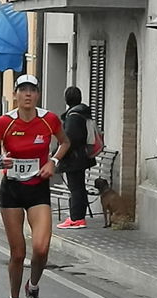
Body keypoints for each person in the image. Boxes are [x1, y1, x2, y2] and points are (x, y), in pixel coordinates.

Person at [0, 74, 70, 298]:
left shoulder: (48, 119)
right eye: (23, 90)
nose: (28, 95)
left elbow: (65, 142)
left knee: (41, 248)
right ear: (17, 94)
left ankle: (33, 287)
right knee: (18, 253)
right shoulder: (5, 122)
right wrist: (0, 161)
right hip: (12, 189)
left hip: (38, 189)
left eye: (32, 90)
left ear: (38, 95)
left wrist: (53, 162)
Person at [55, 86, 97, 229]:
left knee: (76, 188)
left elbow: (68, 139)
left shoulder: (73, 117)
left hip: (74, 158)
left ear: (67, 99)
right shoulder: (83, 113)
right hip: (82, 156)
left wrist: (57, 155)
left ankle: (76, 218)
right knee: (79, 186)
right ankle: (79, 216)